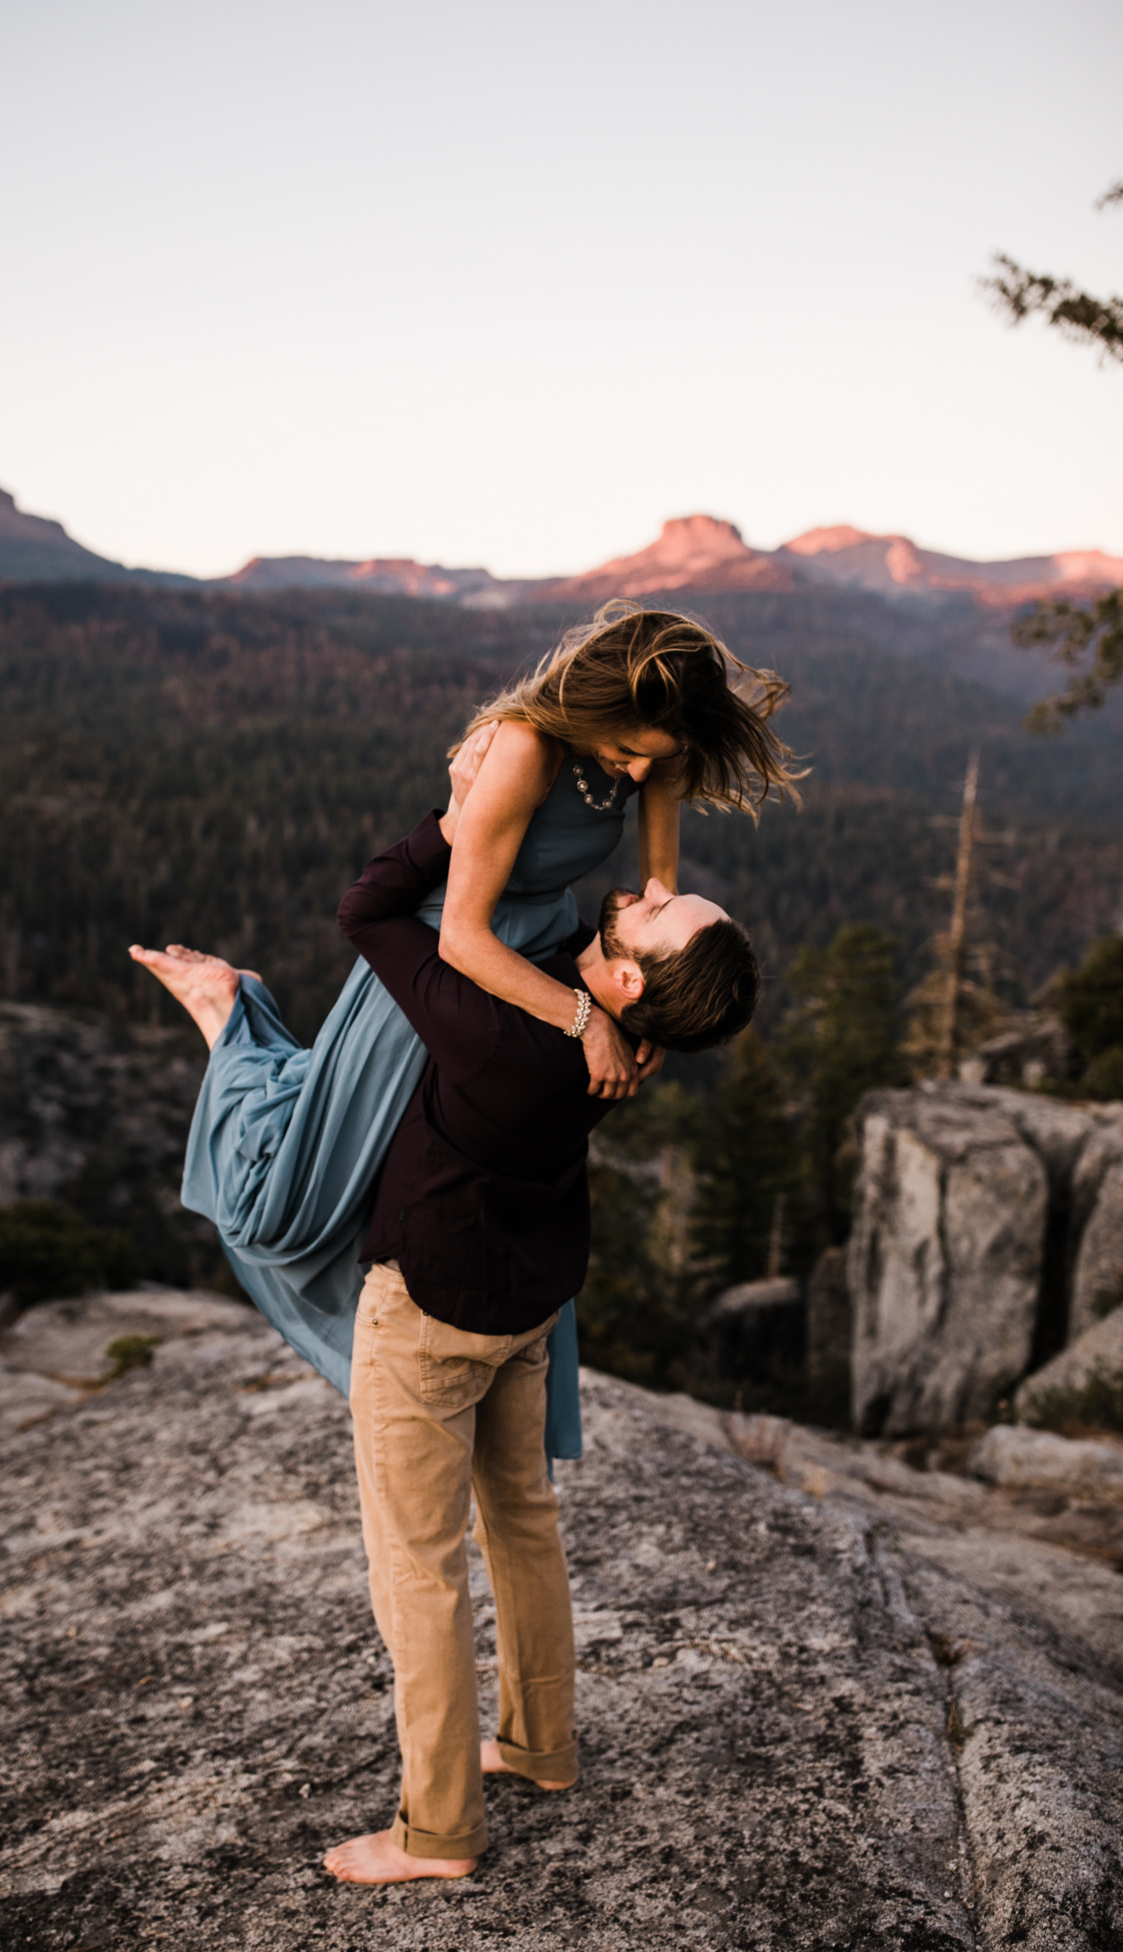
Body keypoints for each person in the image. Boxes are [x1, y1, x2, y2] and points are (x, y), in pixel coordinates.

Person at [134, 747, 761, 1885]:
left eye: (652, 915)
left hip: (430, 1312)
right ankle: (540, 1744)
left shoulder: (493, 1024)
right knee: (520, 1520)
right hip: (526, 1302)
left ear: (625, 983)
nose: (637, 889)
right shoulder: (632, 1047)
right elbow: (598, 965)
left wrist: (462, 814)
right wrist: (591, 1006)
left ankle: (438, 1829)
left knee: (415, 1568)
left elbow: (369, 906)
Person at [132, 598, 797, 1464]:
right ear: (593, 705)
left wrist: (649, 1015)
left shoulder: (657, 744)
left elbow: (658, 895)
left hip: (552, 952)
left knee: (443, 1164)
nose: (637, 775)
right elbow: (460, 936)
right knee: (313, 1180)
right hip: (453, 960)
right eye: (627, 750)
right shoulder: (524, 747)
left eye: (654, 760)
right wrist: (585, 1016)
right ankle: (227, 1008)